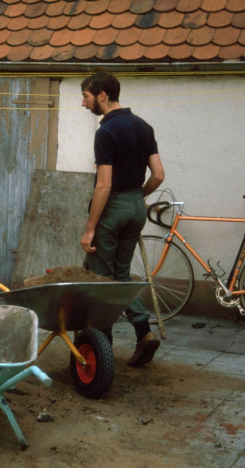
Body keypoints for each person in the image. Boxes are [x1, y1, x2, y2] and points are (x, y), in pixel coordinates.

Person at [80, 71, 165, 367]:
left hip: (113, 207)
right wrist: (136, 197)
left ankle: (101, 351)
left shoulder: (105, 132)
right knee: (121, 276)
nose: (83, 103)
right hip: (135, 207)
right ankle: (144, 333)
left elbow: (103, 185)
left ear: (102, 95)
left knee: (101, 280)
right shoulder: (144, 126)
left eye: (86, 96)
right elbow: (158, 175)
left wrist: (90, 228)